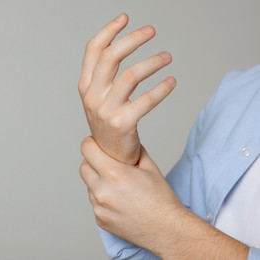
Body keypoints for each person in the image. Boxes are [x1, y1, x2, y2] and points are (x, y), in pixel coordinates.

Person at [78, 13, 260, 259]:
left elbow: (164, 228)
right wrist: (121, 163)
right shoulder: (237, 91)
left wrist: (169, 230)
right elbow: (152, 244)